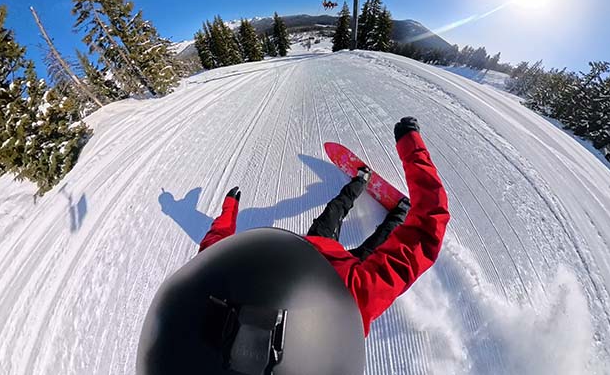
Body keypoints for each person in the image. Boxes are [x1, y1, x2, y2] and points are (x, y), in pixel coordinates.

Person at [137, 117, 449, 375]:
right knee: (370, 239)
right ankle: (390, 207)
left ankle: (364, 187)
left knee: (339, 216)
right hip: (329, 263)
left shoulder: (214, 286)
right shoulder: (354, 297)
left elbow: (214, 245)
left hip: (318, 252)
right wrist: (411, 145)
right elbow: (427, 229)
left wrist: (230, 209)